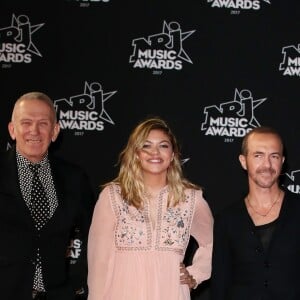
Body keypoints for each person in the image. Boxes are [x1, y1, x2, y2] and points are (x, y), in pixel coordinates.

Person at [87, 117, 214, 300]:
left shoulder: (190, 198)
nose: (155, 152)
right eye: (146, 146)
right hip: (122, 292)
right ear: (136, 153)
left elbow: (213, 244)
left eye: (163, 146)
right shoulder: (113, 195)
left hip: (169, 291)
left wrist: (195, 275)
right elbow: (99, 261)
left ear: (172, 155)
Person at [0, 92, 95, 300]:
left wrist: (79, 282)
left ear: (55, 131)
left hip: (57, 294)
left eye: (43, 123)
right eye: (26, 122)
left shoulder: (74, 178)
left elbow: (96, 234)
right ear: (12, 130)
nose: (34, 131)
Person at [210, 126, 300, 300]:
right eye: (258, 155)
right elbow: (220, 284)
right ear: (244, 161)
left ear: (282, 161)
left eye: (274, 156)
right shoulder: (227, 219)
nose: (267, 165)